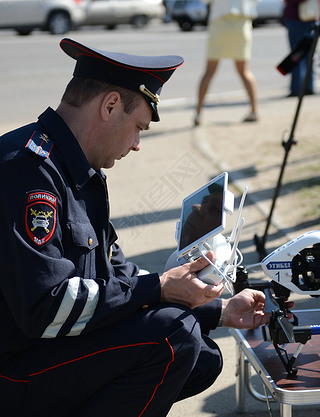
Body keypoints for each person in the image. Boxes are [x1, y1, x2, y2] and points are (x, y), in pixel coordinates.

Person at [0, 38, 291, 417]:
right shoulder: (27, 168)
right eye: (138, 127)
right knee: (175, 338)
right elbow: (46, 306)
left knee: (201, 355)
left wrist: (216, 310)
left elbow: (113, 276)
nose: (137, 144)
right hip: (13, 370)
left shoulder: (76, 168)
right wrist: (159, 288)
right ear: (109, 106)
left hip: (43, 351)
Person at [194, 0, 259, 126]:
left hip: (220, 23)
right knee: (244, 71)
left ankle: (198, 113)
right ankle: (254, 110)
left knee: (209, 71)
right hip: (241, 23)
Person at [283, 0, 317, 97]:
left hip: (299, 18)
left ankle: (298, 88)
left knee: (298, 53)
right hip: (306, 16)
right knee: (306, 53)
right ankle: (307, 86)